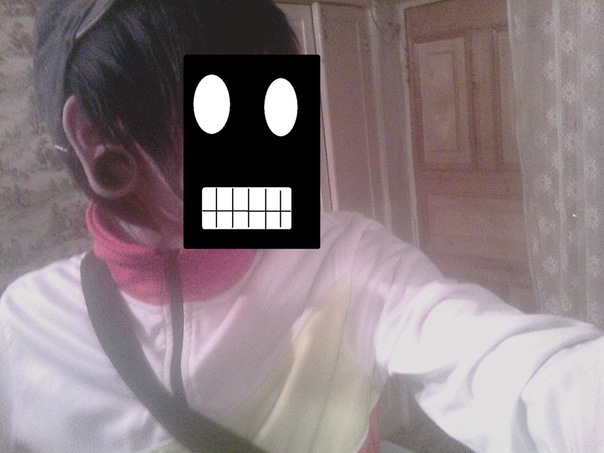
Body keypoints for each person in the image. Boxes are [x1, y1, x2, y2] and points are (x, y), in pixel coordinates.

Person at [0, 0, 602, 451]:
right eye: (224, 108)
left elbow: (515, 369)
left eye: (279, 103)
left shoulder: (348, 257)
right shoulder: (24, 333)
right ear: (97, 139)